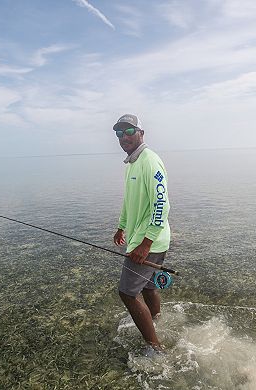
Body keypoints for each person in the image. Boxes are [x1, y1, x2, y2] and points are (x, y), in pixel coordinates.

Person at [113, 114, 171, 353]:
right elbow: (129, 201)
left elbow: (162, 205)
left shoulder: (149, 161)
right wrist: (121, 226)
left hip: (151, 241)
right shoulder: (132, 163)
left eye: (129, 131)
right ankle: (157, 321)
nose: (124, 137)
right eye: (119, 133)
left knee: (127, 293)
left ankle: (155, 347)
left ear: (141, 133)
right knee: (147, 288)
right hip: (147, 239)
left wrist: (145, 244)